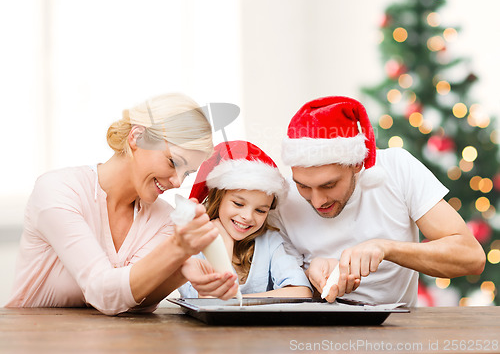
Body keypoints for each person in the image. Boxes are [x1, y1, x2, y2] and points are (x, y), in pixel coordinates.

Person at [6, 93, 239, 315]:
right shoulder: (59, 190)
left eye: (187, 173)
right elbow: (102, 292)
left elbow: (132, 302)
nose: (177, 182)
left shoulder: (163, 218)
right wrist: (177, 250)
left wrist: (179, 271)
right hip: (34, 337)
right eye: (173, 162)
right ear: (137, 137)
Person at [270, 95, 486, 306]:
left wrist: (386, 249)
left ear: (357, 163)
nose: (317, 201)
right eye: (304, 186)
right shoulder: (283, 198)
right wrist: (311, 276)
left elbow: (471, 257)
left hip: (396, 331)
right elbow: (272, 287)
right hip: (312, 335)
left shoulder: (397, 168)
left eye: (329, 185)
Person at [178, 141, 312, 298]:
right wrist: (224, 248)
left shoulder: (270, 242)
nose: (247, 217)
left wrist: (236, 301)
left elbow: (301, 292)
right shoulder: (192, 244)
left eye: (260, 210)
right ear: (218, 198)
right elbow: (207, 301)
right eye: (238, 204)